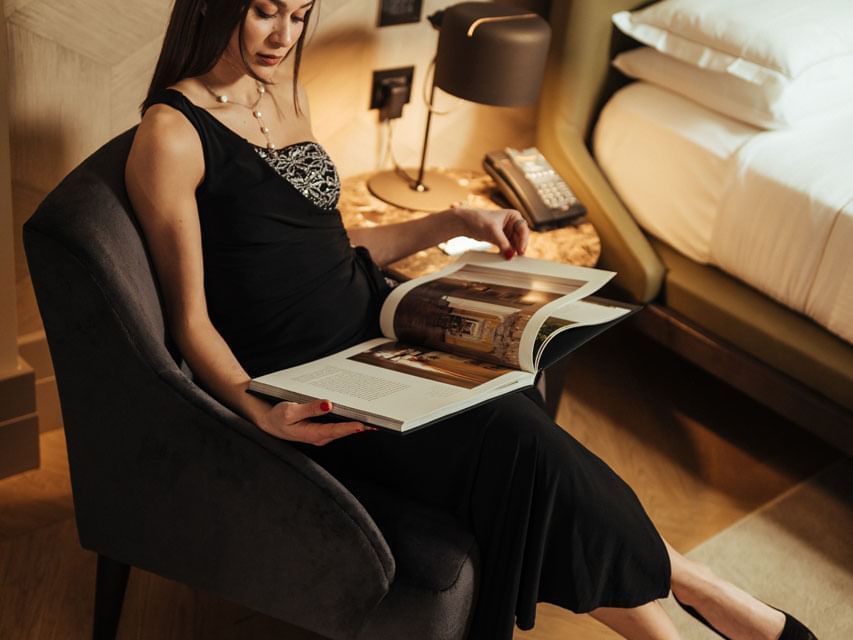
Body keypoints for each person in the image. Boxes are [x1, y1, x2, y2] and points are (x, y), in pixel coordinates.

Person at [124, 1, 816, 638]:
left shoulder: (283, 92)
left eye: (300, 13)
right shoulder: (171, 136)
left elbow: (327, 245)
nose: (284, 36)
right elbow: (191, 321)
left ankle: (702, 609)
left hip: (375, 330)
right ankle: (718, 601)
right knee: (528, 448)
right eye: (264, 11)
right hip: (316, 377)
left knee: (526, 426)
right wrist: (257, 408)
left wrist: (454, 221)